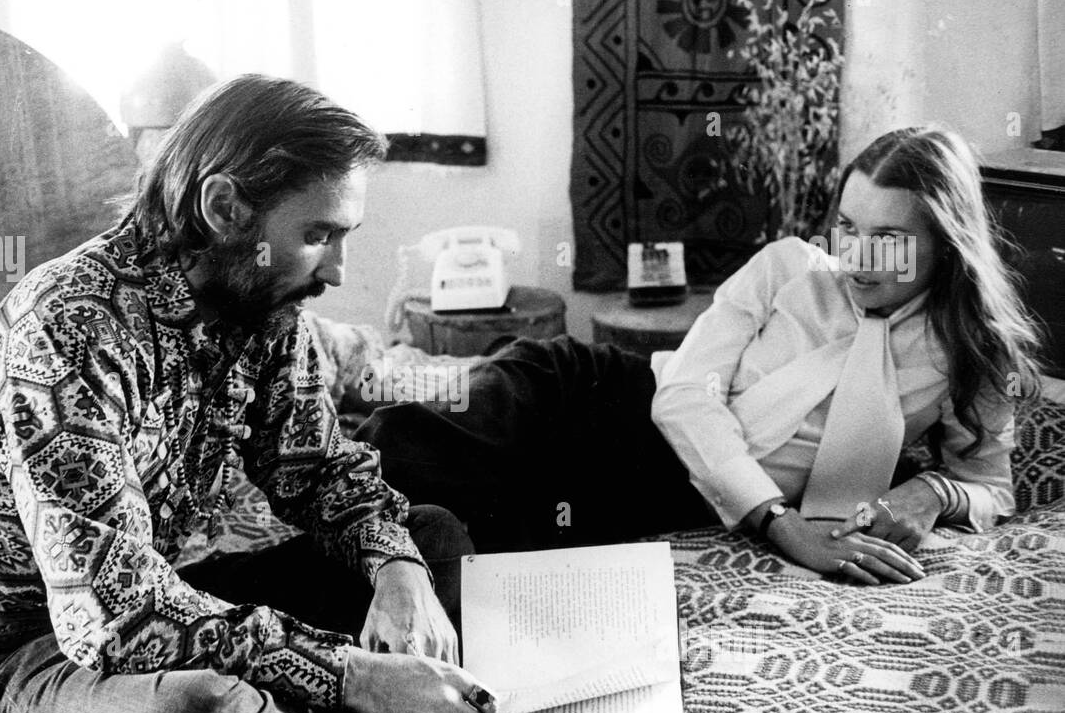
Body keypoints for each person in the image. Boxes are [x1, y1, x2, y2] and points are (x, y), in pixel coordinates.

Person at [0, 75, 496, 713]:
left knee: (433, 539)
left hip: (166, 587)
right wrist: (351, 673)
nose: (338, 271)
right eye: (318, 235)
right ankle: (362, 711)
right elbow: (113, 618)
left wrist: (397, 569)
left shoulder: (262, 302)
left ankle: (342, 711)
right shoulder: (66, 330)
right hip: (24, 645)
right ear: (224, 209)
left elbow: (316, 470)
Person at [358, 126, 1043, 585]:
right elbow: (684, 394)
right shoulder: (789, 269)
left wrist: (928, 491)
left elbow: (993, 484)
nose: (856, 257)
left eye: (887, 238)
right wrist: (780, 523)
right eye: (847, 227)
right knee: (399, 445)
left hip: (654, 493)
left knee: (475, 547)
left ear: (946, 244)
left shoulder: (971, 355)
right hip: (603, 403)